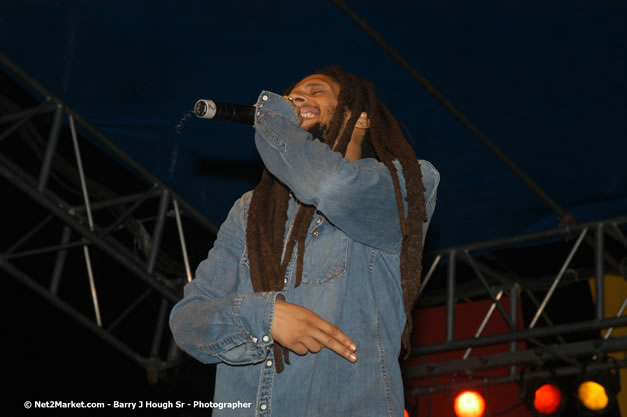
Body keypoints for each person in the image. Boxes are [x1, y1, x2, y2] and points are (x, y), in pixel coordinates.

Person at [169, 66, 439, 417]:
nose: (296, 99)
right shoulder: (250, 212)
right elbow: (188, 322)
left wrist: (274, 119)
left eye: (316, 91)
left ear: (359, 119)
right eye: (291, 95)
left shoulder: (405, 183)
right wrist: (263, 317)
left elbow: (329, 185)